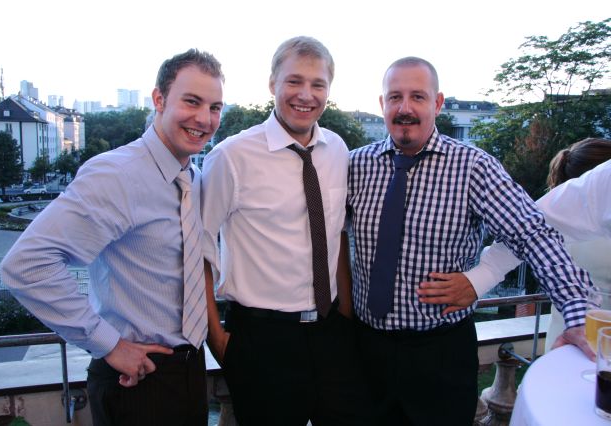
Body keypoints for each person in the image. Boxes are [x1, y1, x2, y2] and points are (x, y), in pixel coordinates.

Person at [347, 56, 594, 425]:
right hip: (365, 351)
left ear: (437, 103)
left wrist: (575, 310)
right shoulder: (354, 166)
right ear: (382, 103)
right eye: (395, 97)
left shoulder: (474, 167)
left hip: (440, 354)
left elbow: (532, 234)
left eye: (418, 96)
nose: (405, 108)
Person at [0, 49, 224, 426]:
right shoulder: (117, 175)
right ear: (159, 99)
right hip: (136, 379)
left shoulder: (193, 178)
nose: (204, 118)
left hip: (188, 369)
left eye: (215, 107)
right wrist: (109, 344)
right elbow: (26, 265)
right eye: (191, 101)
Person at [201, 36, 369, 425]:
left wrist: (344, 313)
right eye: (294, 81)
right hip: (262, 340)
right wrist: (218, 338)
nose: (306, 95)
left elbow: (336, 234)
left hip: (331, 333)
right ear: (272, 83)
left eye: (318, 84)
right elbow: (197, 250)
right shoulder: (231, 157)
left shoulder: (337, 150)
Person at [454, 139, 611, 351]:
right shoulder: (603, 182)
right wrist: (482, 276)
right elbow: (531, 227)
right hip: (586, 342)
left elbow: (531, 227)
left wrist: (481, 277)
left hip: (574, 334)